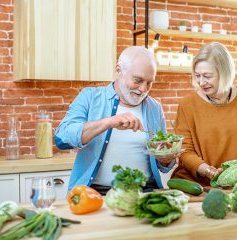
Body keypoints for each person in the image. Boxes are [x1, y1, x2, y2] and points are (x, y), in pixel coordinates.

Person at [55, 46, 175, 194]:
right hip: (95, 194)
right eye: (138, 80)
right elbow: (61, 139)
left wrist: (166, 158)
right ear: (118, 70)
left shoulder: (154, 108)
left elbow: (163, 165)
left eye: (149, 83)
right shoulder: (90, 97)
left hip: (145, 192)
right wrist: (109, 122)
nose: (143, 89)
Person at [172, 42, 237, 186]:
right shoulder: (187, 105)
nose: (201, 82)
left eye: (207, 76)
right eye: (197, 75)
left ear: (225, 73)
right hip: (197, 186)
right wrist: (210, 172)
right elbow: (185, 152)